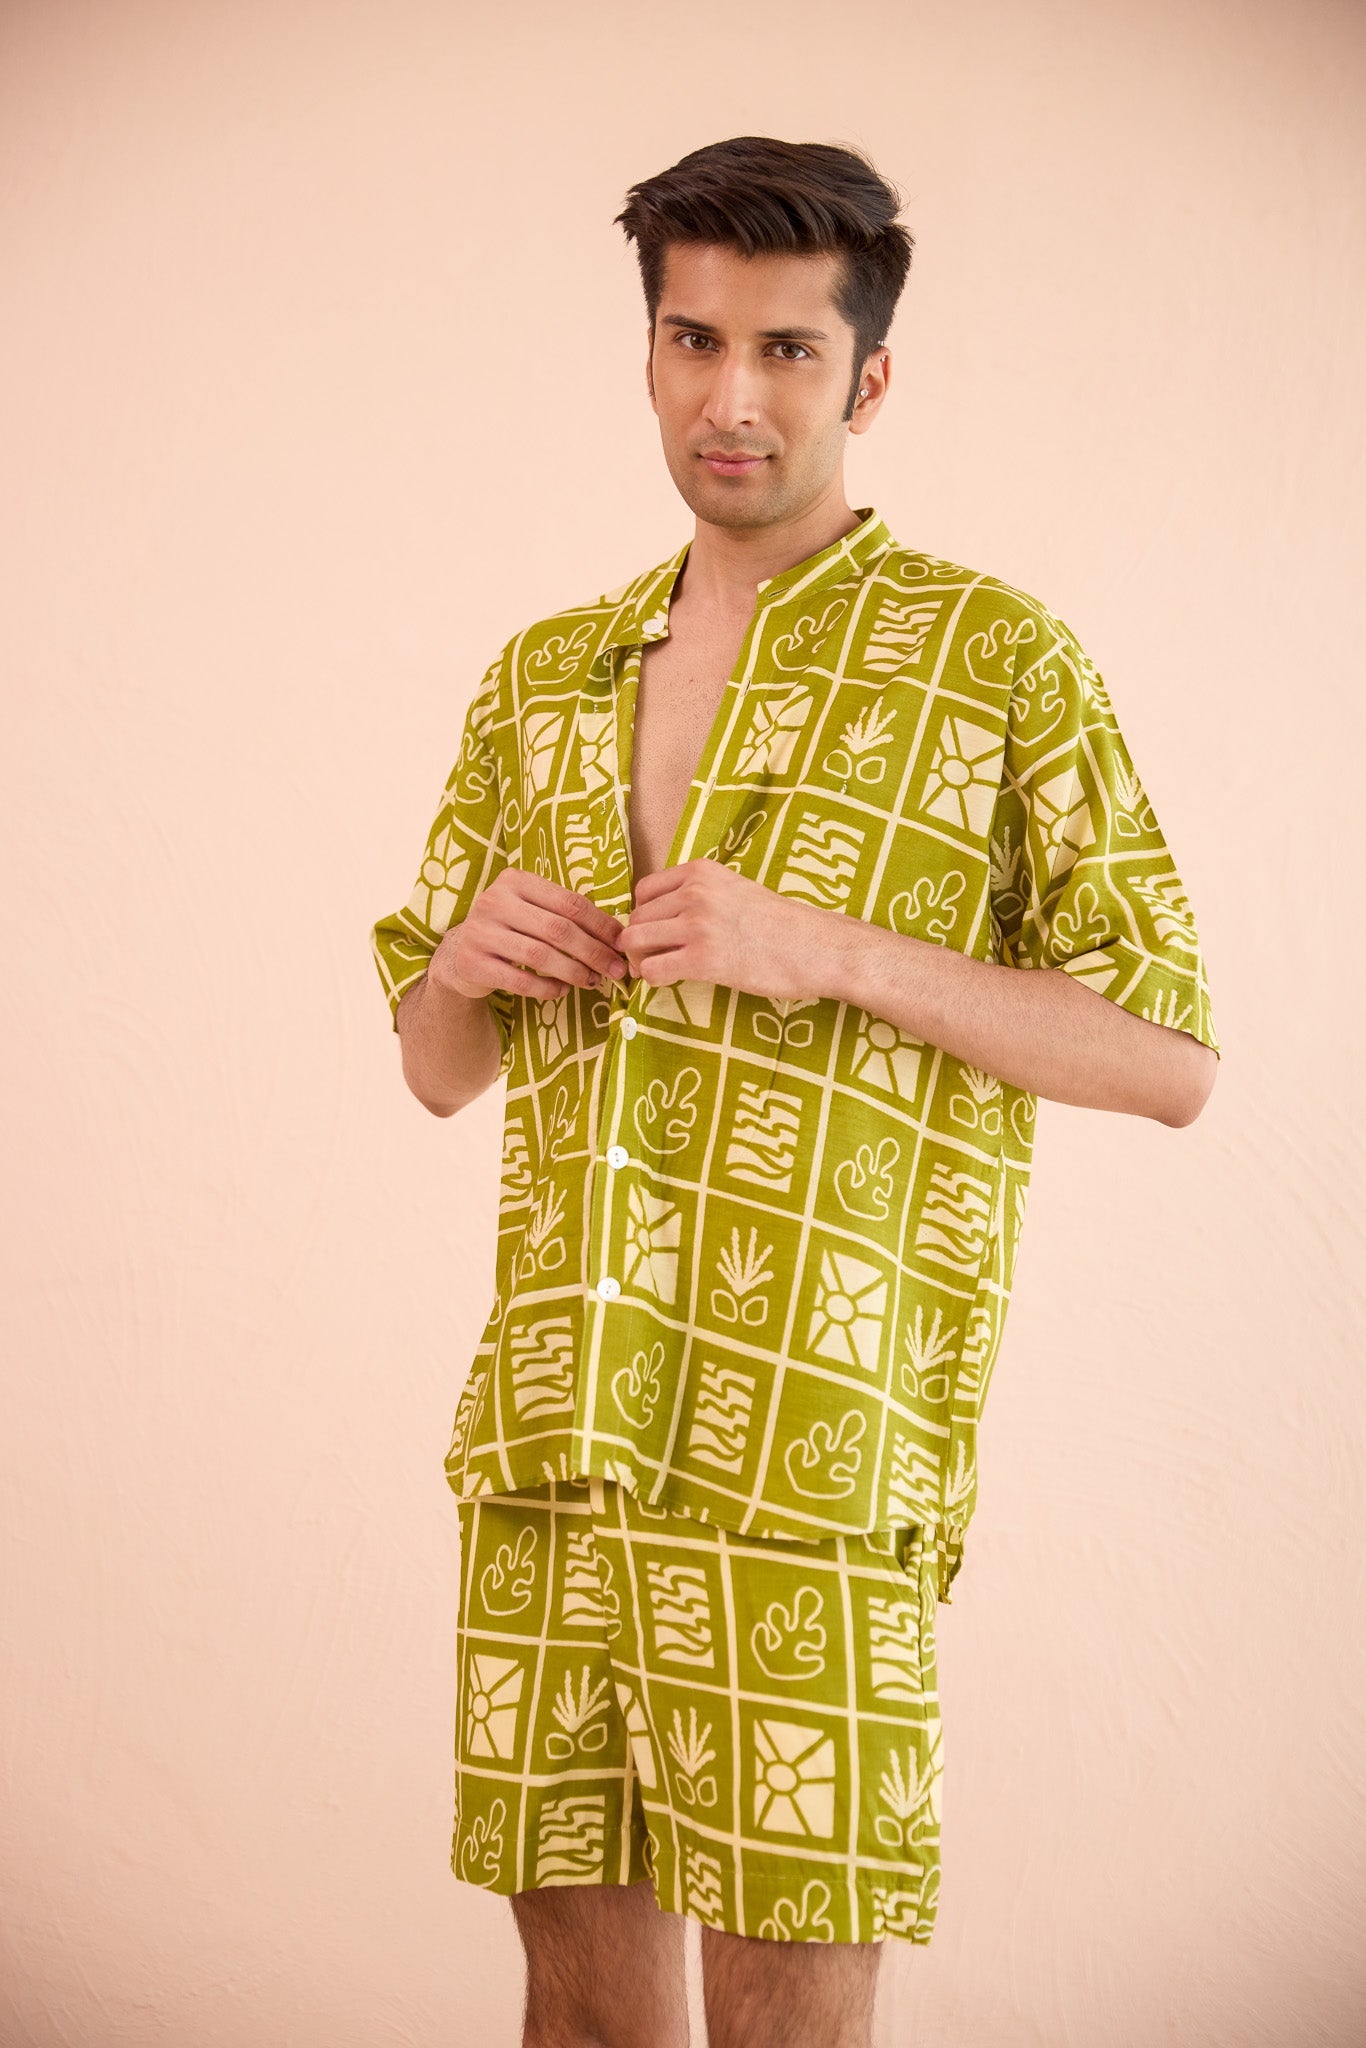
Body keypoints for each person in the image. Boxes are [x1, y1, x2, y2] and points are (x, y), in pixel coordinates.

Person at [370, 134, 1220, 2048]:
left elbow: (1165, 1055)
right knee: (578, 2016)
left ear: (868, 376)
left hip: (811, 1456)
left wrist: (830, 948)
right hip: (554, 1435)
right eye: (692, 341)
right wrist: (464, 965)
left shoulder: (991, 660)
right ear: (647, 350)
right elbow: (435, 1073)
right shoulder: (546, 675)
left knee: (786, 2026)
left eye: (784, 350)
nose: (730, 399)